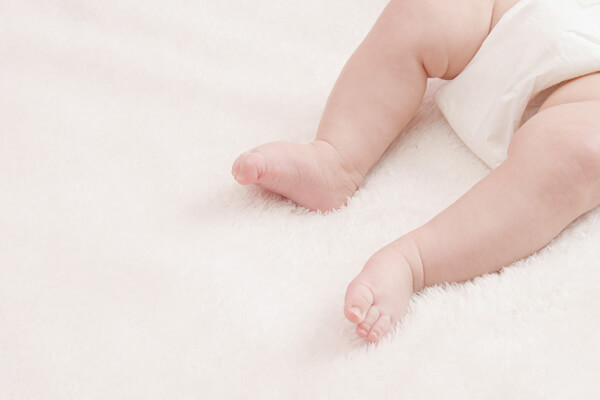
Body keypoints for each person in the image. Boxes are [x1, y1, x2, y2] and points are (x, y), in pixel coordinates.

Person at [231, 0, 600, 342]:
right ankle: (335, 157)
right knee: (424, 9)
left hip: (586, 97)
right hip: (529, 13)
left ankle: (414, 261)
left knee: (580, 151)